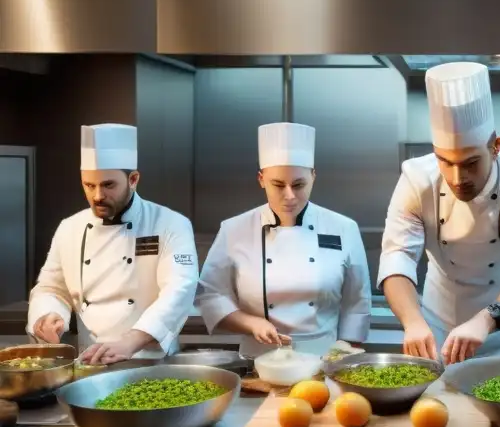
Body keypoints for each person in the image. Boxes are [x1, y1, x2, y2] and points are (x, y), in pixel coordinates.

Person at [378, 61, 500, 364]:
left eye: (471, 163)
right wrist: (412, 321)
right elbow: (397, 257)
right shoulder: (416, 179)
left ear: (496, 146)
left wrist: (485, 321)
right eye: (444, 161)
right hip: (436, 330)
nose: (457, 177)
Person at [196, 122, 372, 358]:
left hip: (323, 358)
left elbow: (357, 300)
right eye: (278, 185)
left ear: (313, 177)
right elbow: (211, 294)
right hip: (259, 360)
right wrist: (251, 324)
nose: (289, 196)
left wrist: (345, 351)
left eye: (299, 185)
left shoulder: (344, 228)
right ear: (261, 179)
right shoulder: (234, 229)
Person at [27, 124, 199, 364]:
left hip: (151, 359)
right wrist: (48, 314)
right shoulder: (70, 228)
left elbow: (179, 289)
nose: (97, 195)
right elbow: (51, 288)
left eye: (108, 185)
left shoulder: (170, 224)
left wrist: (132, 340)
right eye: (89, 185)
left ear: (133, 179)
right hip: (90, 358)